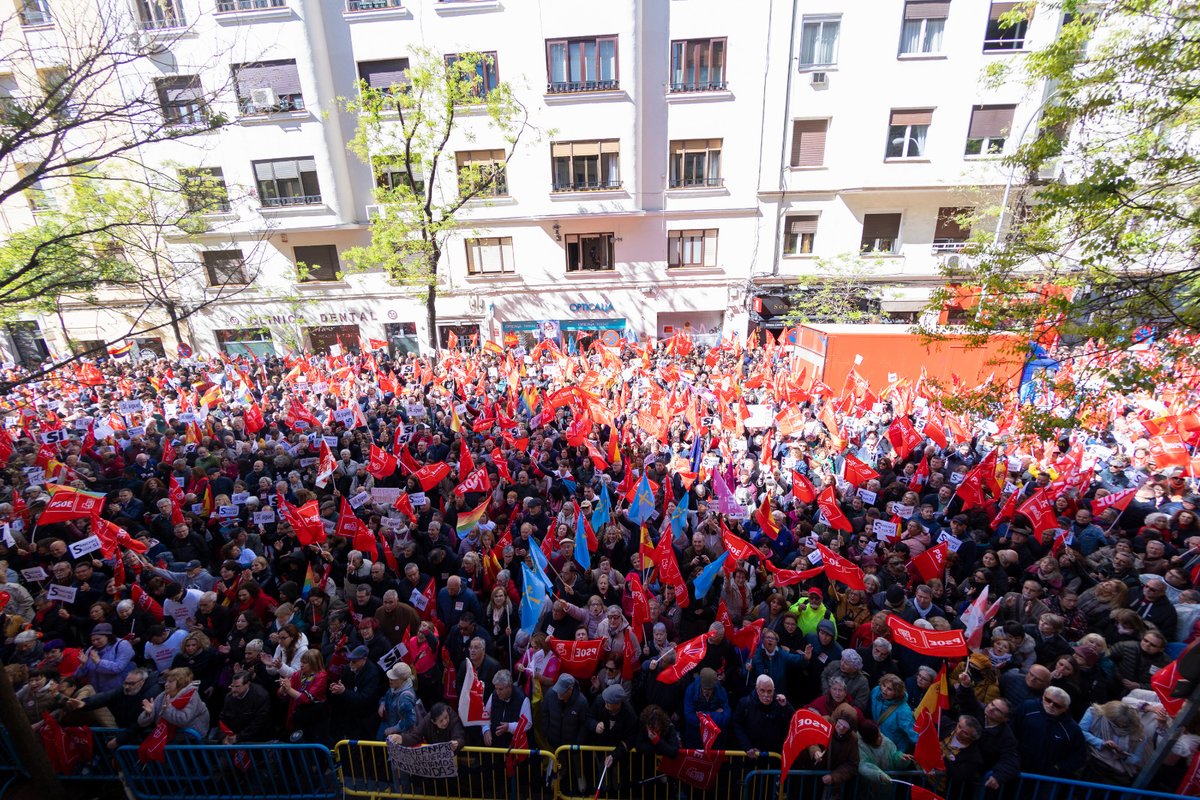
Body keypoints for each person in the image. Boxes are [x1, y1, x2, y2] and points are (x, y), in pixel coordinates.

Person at [1011, 687, 1086, 778]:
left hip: (1045, 779)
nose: (1051, 705)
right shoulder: (1027, 707)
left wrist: (1058, 768)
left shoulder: (1073, 729)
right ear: (1043, 697)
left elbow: (1079, 756)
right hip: (1014, 768)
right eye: (1048, 700)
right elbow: (1010, 730)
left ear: (1065, 709)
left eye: (1057, 705)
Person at [137, 666, 210, 741]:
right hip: (171, 739)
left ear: (181, 682)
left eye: (170, 682)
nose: (166, 684)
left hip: (191, 741)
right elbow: (142, 723)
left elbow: (183, 720)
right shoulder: (162, 696)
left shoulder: (192, 696)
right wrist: (149, 713)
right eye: (166, 681)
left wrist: (167, 709)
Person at [733, 675, 795, 760]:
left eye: (769, 691)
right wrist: (747, 746)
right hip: (752, 755)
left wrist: (786, 706)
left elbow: (794, 721)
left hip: (774, 756)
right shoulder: (745, 703)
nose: (766, 695)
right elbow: (736, 725)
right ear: (757, 689)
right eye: (762, 691)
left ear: (774, 690)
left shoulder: (780, 702)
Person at [219, 670, 271, 743]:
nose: (233, 690)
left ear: (247, 684)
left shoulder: (261, 696)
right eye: (232, 686)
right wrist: (224, 737)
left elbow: (258, 723)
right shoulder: (229, 697)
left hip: (255, 741)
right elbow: (223, 719)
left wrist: (238, 737)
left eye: (237, 686)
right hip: (233, 737)